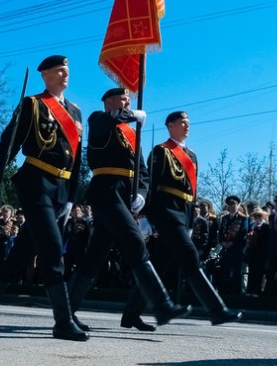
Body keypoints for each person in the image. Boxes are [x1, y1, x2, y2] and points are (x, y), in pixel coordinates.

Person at [0, 55, 88, 341]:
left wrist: (71, 196)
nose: (65, 75)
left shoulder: (75, 111)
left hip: (61, 187)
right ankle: (62, 320)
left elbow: (76, 160)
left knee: (22, 253)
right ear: (45, 75)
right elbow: (8, 143)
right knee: (51, 247)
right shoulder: (33, 104)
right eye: (59, 71)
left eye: (67, 71)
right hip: (35, 181)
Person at [67, 90, 189, 331]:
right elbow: (109, 120)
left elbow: (142, 171)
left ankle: (67, 311)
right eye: (122, 101)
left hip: (124, 196)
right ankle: (161, 305)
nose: (126, 103)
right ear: (108, 102)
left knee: (95, 256)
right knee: (135, 243)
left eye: (129, 101)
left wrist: (141, 195)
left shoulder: (132, 133)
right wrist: (131, 114)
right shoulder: (98, 119)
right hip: (106, 191)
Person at [117, 111, 241, 328]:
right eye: (182, 123)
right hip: (166, 213)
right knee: (191, 259)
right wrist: (145, 216)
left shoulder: (191, 155)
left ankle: (130, 314)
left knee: (158, 264)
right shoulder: (161, 151)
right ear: (170, 125)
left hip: (183, 215)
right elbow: (152, 185)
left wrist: (191, 222)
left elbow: (192, 193)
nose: (187, 126)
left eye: (188, 123)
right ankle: (217, 310)